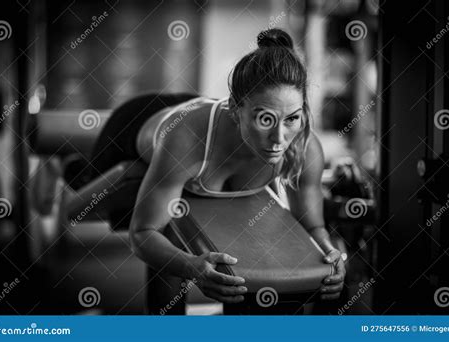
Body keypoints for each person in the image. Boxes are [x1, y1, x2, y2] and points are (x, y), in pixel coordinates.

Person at [121, 28, 346, 314]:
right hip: (136, 122)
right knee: (170, 230)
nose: (279, 138)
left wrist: (329, 252)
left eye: (291, 118)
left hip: (203, 110)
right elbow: (142, 232)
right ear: (235, 109)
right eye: (265, 119)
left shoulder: (305, 147)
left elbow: (313, 226)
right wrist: (191, 266)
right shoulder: (185, 139)